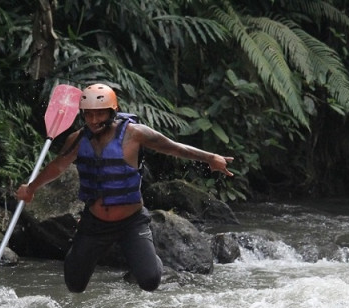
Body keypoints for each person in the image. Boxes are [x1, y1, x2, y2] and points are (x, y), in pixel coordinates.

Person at [15, 83, 235, 293]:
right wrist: (31, 188)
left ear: (113, 111)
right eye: (89, 114)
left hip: (131, 221)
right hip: (94, 223)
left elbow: (174, 148)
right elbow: (58, 166)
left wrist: (210, 158)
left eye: (99, 113)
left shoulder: (134, 133)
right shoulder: (78, 139)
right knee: (75, 285)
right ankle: (80, 248)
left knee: (149, 281)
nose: (93, 120)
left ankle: (150, 257)